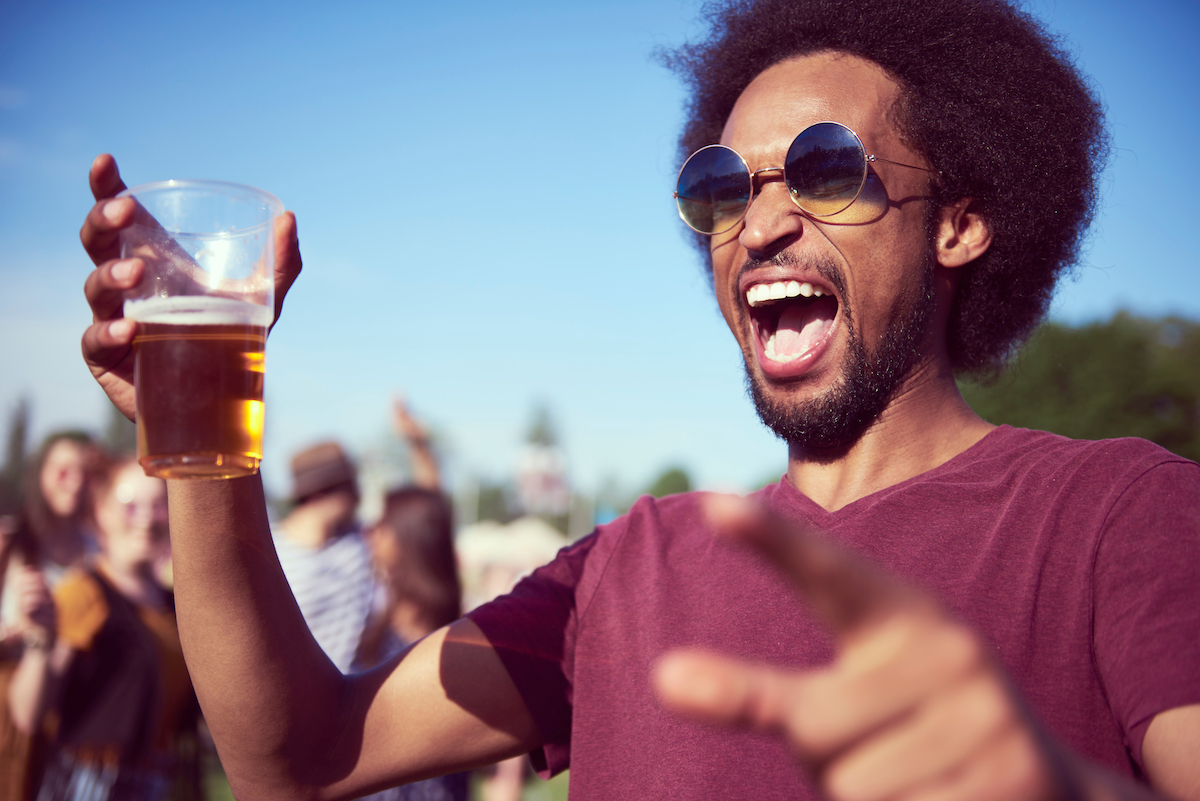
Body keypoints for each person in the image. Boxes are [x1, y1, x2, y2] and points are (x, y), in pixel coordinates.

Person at [76, 0, 1199, 799]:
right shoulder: (622, 566)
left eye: (826, 170)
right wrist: (195, 419)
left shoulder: (1122, 517)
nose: (761, 225)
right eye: (721, 189)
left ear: (957, 223)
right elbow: (297, 757)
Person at [8, 452, 198, 801]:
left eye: (158, 505)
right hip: (89, 785)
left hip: (155, 783)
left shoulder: (177, 605)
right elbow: (29, 715)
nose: (146, 519)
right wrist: (40, 641)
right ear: (102, 512)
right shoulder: (83, 594)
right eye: (130, 505)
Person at [0, 432, 97, 800]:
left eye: (85, 472)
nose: (74, 482)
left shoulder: (100, 551)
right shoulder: (10, 544)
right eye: (63, 471)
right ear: (40, 473)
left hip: (72, 718)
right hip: (8, 712)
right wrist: (20, 633)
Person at [355, 488, 469, 801]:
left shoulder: (441, 637)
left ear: (408, 537)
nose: (372, 533)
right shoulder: (386, 614)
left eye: (382, 524)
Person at [273, 441, 375, 674]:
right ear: (318, 495)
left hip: (352, 690)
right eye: (350, 485)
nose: (359, 494)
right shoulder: (269, 553)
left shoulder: (359, 540)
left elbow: (426, 518)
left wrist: (418, 446)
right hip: (296, 689)